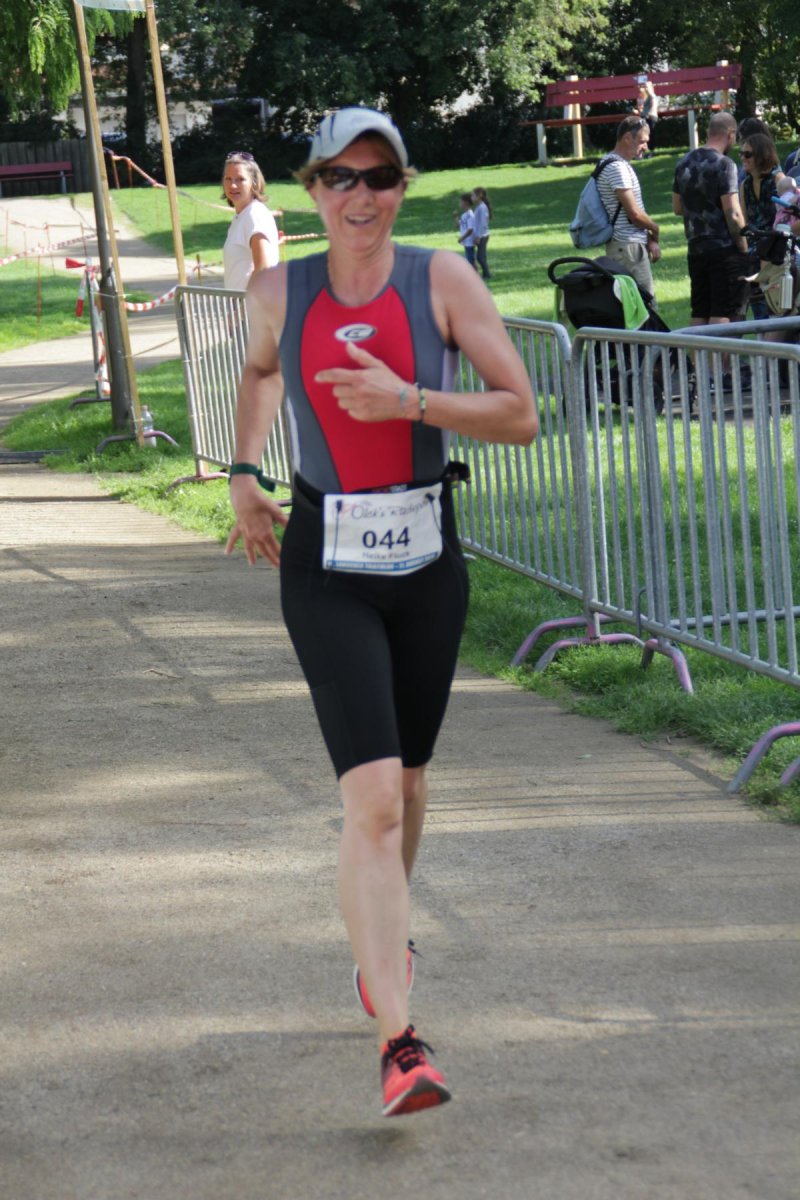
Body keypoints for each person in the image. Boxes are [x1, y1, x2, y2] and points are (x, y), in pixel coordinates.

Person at [225, 107, 537, 1118]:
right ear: (312, 189)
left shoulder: (440, 280)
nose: (362, 197)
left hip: (427, 560)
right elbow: (261, 373)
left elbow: (520, 412)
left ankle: (383, 940)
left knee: (406, 783)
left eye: (381, 177)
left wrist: (411, 403)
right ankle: (399, 1042)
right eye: (342, 178)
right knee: (372, 801)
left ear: (402, 187)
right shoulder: (279, 291)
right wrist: (243, 474)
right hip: (327, 563)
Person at [672, 111, 750, 337]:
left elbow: (677, 207)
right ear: (730, 134)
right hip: (723, 249)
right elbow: (733, 212)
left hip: (695, 248)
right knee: (722, 311)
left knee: (699, 311)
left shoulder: (683, 163)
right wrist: (744, 247)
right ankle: (722, 361)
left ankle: (697, 360)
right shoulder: (725, 164)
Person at [596, 114, 661, 298]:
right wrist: (655, 229)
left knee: (632, 305)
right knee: (644, 304)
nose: (645, 147)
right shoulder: (617, 168)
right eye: (642, 141)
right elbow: (634, 214)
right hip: (627, 248)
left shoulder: (613, 164)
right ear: (627, 138)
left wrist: (648, 239)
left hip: (627, 245)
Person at [739, 133, 785, 319]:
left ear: (762, 155)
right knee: (759, 311)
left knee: (777, 311)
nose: (743, 158)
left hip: (777, 255)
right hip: (755, 255)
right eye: (741, 154)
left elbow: (789, 218)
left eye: (747, 154)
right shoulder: (745, 185)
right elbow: (744, 223)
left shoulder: (778, 180)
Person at [222, 151, 280, 290]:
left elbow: (264, 269)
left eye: (240, 179)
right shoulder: (241, 217)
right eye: (228, 179)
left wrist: (242, 302)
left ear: (253, 182)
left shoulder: (255, 215)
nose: (233, 185)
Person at [471, 186, 492, 279]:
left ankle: (487, 274)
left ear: (479, 196)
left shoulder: (482, 207)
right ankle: (486, 274)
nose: (471, 197)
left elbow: (483, 223)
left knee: (480, 257)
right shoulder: (479, 207)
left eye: (473, 195)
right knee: (481, 256)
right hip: (480, 235)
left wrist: (479, 236)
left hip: (483, 235)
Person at [635, 81, 659, 152]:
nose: (645, 88)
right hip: (645, 117)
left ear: (651, 88)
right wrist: (638, 111)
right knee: (642, 133)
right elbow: (641, 110)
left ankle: (651, 149)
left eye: (647, 87)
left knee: (650, 133)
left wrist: (649, 113)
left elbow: (654, 106)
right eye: (644, 87)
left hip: (650, 117)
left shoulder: (652, 96)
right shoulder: (644, 97)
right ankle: (645, 149)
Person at [454, 192, 476, 267]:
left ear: (466, 203)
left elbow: (470, 229)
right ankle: (474, 272)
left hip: (469, 242)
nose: (459, 203)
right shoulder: (465, 214)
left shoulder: (470, 215)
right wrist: (456, 217)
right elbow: (459, 224)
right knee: (469, 260)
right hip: (466, 241)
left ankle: (473, 273)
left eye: (461, 202)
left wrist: (462, 238)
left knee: (470, 261)